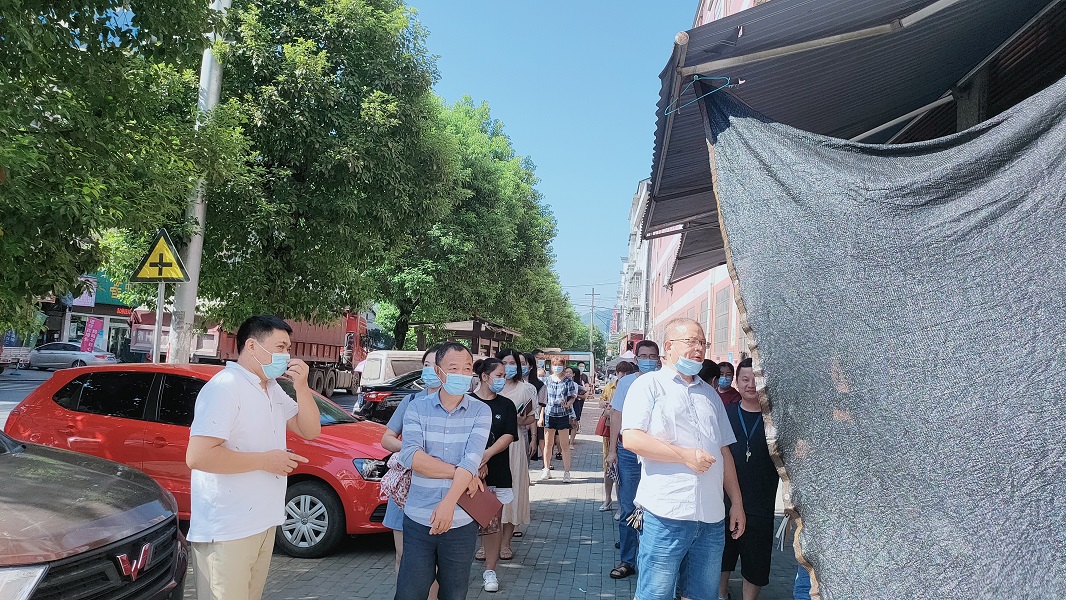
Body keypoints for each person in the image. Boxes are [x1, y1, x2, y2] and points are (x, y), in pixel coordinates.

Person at [186, 315, 322, 600]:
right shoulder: (225, 387)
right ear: (251, 346)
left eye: (288, 348)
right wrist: (265, 461)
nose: (287, 356)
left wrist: (302, 387)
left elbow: (310, 430)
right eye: (280, 347)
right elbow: (198, 456)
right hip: (227, 529)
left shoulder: (271, 388)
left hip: (262, 522)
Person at [620, 318, 745, 600]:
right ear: (668, 346)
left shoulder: (710, 394)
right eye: (691, 341)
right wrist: (684, 456)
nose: (699, 348)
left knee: (703, 595)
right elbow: (632, 439)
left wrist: (736, 502)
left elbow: (724, 451)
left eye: (702, 343)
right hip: (666, 515)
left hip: (711, 518)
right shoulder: (649, 386)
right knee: (655, 594)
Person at [395, 343, 491, 600]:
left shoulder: (481, 411)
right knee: (409, 592)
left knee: (454, 593)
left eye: (467, 368)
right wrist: (460, 472)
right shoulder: (417, 407)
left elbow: (472, 459)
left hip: (461, 521)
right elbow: (411, 456)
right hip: (418, 518)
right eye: (454, 368)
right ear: (439, 371)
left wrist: (448, 503)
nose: (462, 374)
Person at [380, 346, 441, 600]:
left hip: (439, 491)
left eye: (435, 365)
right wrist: (411, 450)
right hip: (405, 489)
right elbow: (387, 438)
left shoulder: (462, 404)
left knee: (433, 561)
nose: (430, 370)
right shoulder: (411, 401)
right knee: (403, 554)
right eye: (426, 365)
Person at [719, 358, 781, 600]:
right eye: (745, 379)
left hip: (761, 502)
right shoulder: (726, 414)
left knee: (756, 563)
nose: (751, 385)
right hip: (724, 500)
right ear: (737, 382)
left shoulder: (776, 419)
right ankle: (721, 595)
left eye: (756, 379)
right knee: (722, 557)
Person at [605, 340, 661, 580]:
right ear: (636, 360)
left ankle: (653, 561)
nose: (648, 360)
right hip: (628, 451)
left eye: (652, 356)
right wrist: (613, 451)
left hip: (658, 452)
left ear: (659, 358)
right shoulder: (626, 382)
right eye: (643, 356)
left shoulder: (665, 382)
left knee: (657, 509)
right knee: (629, 506)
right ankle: (628, 560)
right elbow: (616, 415)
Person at [469, 358, 519, 593]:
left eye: (504, 376)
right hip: (467, 472)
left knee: (492, 521)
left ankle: (490, 570)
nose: (502, 379)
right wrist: (476, 462)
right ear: (484, 376)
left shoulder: (506, 405)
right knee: (464, 522)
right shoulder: (467, 402)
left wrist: (486, 455)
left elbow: (508, 435)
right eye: (499, 375)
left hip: (497, 471)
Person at [494, 349, 535, 558]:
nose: (508, 366)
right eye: (505, 362)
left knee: (513, 490)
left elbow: (531, 417)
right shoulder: (488, 386)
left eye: (513, 363)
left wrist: (521, 420)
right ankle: (487, 543)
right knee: (488, 493)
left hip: (514, 444)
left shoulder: (525, 389)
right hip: (489, 445)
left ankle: (505, 543)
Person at [598, 360, 635, 512]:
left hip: (625, 434)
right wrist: (606, 406)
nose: (624, 375)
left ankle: (621, 505)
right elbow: (602, 403)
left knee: (622, 471)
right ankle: (608, 498)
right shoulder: (610, 386)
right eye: (621, 372)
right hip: (609, 433)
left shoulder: (634, 385)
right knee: (609, 467)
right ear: (617, 373)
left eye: (627, 372)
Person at [540, 356, 577, 482]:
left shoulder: (568, 381)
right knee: (548, 444)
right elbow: (543, 400)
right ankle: (546, 469)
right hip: (549, 414)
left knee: (564, 445)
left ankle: (567, 472)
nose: (557, 367)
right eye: (555, 365)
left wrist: (568, 403)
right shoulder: (547, 380)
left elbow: (573, 396)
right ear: (551, 366)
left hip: (563, 415)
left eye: (559, 365)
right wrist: (541, 416)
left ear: (563, 366)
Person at [565, 365, 587, 450]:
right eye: (566, 372)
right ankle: (565, 441)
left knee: (574, 423)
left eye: (569, 372)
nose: (568, 374)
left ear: (573, 374)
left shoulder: (575, 384)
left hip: (574, 405)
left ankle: (571, 442)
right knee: (565, 424)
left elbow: (583, 391)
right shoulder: (560, 383)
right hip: (564, 405)